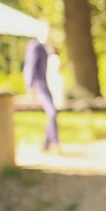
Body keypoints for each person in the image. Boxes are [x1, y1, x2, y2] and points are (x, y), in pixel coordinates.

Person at [23, 23, 60, 151]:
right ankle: (53, 142)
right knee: (52, 112)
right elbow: (30, 66)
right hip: (39, 84)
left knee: (53, 112)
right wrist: (30, 86)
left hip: (47, 82)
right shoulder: (35, 46)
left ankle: (47, 143)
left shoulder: (47, 47)